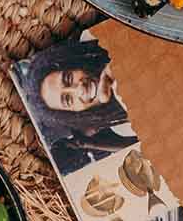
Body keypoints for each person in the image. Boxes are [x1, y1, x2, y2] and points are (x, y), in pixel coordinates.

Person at [17, 39, 139, 174]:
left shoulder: (100, 41)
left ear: (72, 64)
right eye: (68, 100)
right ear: (75, 113)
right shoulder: (124, 128)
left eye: (68, 78)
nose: (79, 89)